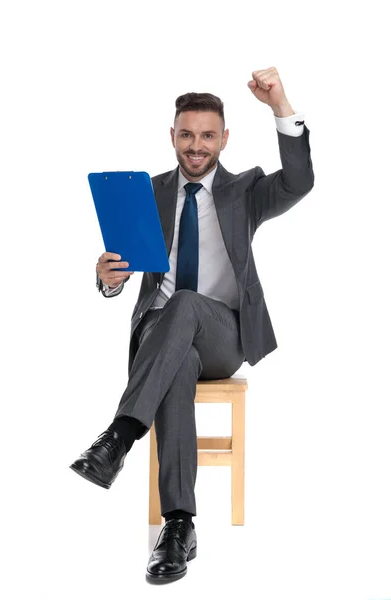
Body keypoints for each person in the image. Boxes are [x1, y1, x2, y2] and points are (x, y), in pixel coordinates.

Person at [70, 66, 315, 584]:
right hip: (162, 338)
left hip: (224, 333)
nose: (196, 146)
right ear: (173, 136)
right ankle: (179, 528)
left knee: (183, 303)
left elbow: (299, 181)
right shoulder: (149, 191)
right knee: (173, 354)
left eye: (207, 136)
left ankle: (118, 436)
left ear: (224, 139)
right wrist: (108, 278)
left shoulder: (245, 190)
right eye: (186, 135)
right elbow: (122, 274)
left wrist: (280, 106)